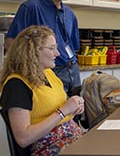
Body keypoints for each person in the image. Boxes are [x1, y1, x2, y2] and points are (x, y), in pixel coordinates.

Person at [0, 26, 84, 155]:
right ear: (32, 51)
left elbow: (61, 106)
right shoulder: (16, 85)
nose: (58, 53)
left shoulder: (48, 73)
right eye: (51, 48)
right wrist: (63, 112)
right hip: (47, 149)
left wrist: (75, 106)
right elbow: (23, 138)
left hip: (71, 139)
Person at [5, 0, 81, 96]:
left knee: (74, 111)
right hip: (47, 71)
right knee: (55, 113)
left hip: (72, 70)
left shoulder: (70, 14)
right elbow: (11, 43)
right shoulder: (31, 7)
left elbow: (73, 46)